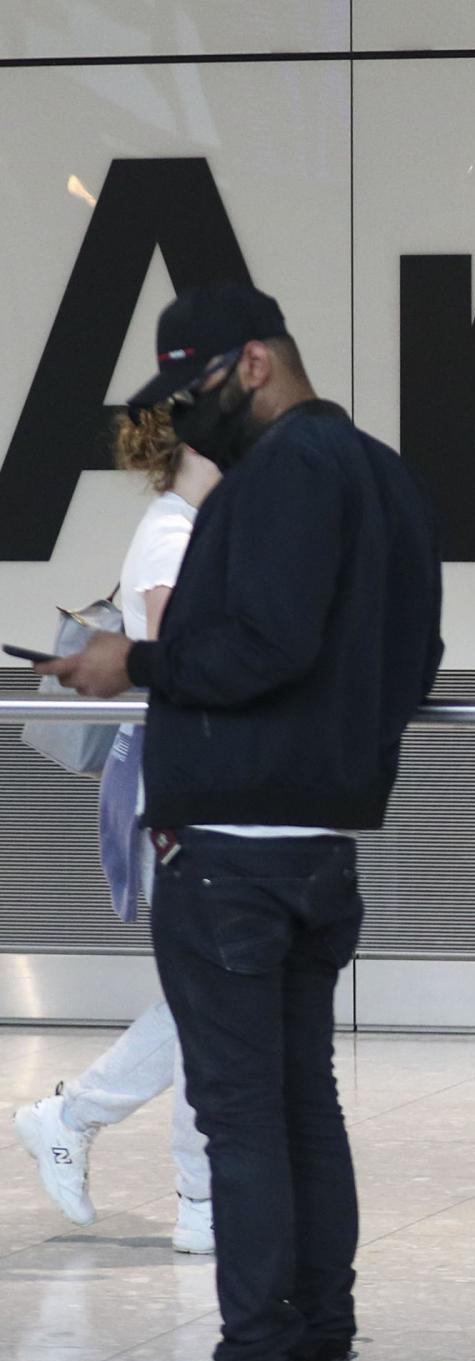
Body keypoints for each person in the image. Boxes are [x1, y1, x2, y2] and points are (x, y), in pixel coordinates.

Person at [40, 280, 444, 1361]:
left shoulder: (275, 481)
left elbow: (261, 645)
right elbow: (412, 654)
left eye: (197, 386)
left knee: (244, 1123)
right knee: (302, 1108)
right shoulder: (381, 474)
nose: (189, 415)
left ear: (255, 362)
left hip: (233, 853)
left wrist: (134, 661)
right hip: (320, 847)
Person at [14, 411, 219, 1253]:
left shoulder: (186, 528)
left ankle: (73, 1118)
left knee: (209, 993)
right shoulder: (172, 535)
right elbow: (185, 665)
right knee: (211, 996)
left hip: (196, 781)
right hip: (184, 784)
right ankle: (198, 1196)